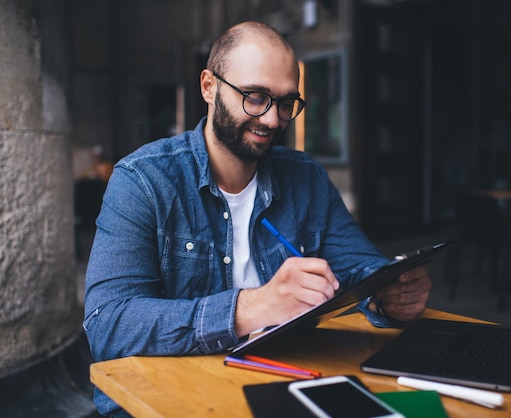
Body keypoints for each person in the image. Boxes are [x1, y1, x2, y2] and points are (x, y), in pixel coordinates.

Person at [83, 21, 432, 417]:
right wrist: (250, 308)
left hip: (277, 386)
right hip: (167, 401)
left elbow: (358, 266)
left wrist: (388, 294)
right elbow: (107, 325)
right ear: (209, 87)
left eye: (286, 103)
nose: (272, 119)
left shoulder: (306, 177)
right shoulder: (143, 180)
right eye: (255, 97)